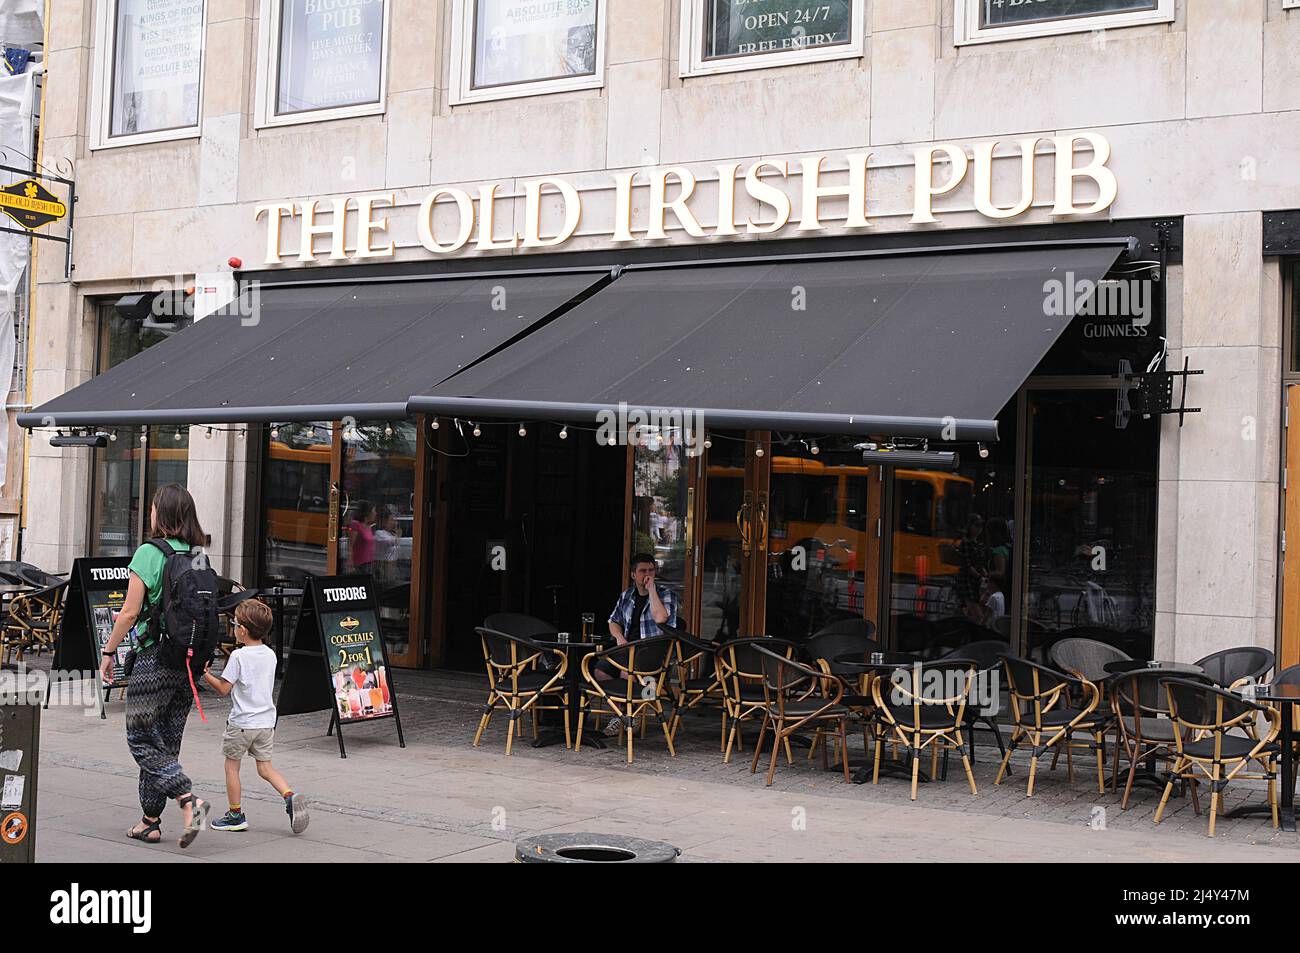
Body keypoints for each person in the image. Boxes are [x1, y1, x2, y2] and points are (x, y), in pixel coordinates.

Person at [99, 483, 212, 848]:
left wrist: (108, 651)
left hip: (154, 659)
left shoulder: (150, 552)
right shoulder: (197, 553)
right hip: (188, 663)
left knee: (141, 737)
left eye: (151, 507)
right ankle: (150, 821)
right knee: (166, 741)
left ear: (159, 514)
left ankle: (188, 800)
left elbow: (130, 611)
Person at [202, 599, 310, 834]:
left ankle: (235, 814)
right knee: (265, 768)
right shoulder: (270, 654)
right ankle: (289, 795)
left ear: (243, 630)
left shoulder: (239, 657)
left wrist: (205, 674)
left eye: (235, 623)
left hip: (242, 723)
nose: (233, 627)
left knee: (231, 768)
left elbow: (223, 688)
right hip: (265, 723)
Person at [599, 553, 680, 734]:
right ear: (633, 575)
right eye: (643, 571)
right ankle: (623, 715)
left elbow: (661, 618)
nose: (648, 574)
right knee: (599, 671)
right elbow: (613, 621)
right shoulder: (627, 595)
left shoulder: (667, 596)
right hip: (627, 649)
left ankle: (629, 716)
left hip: (652, 654)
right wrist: (619, 637)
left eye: (651, 570)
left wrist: (651, 590)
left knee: (626, 670)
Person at [348, 502, 376, 574]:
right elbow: (350, 545)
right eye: (373, 511)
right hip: (359, 564)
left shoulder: (369, 527)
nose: (375, 513)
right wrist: (350, 562)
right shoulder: (355, 525)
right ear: (367, 513)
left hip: (369, 563)